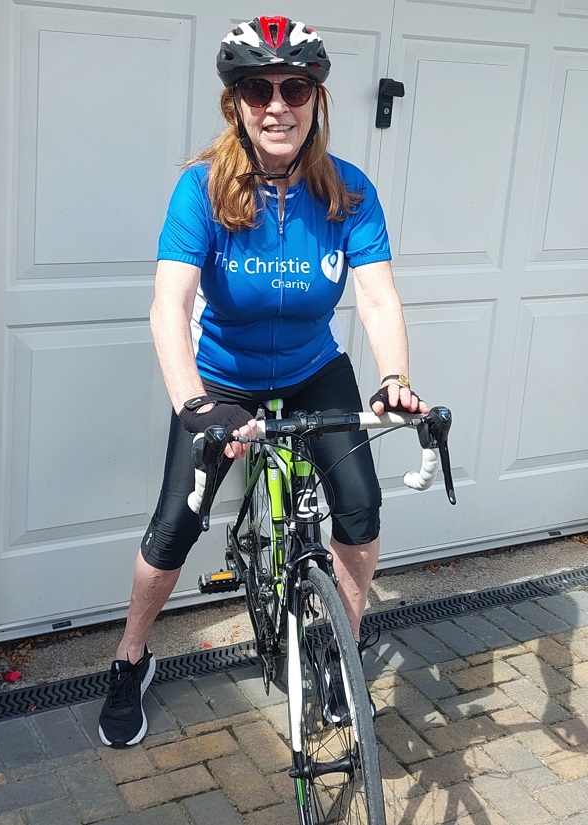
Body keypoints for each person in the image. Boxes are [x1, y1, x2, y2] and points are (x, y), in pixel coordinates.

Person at [98, 14, 428, 748]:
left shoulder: (348, 191)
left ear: (317, 99)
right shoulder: (202, 191)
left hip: (314, 369)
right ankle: (130, 657)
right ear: (236, 104)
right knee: (175, 525)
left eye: (295, 88)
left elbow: (377, 298)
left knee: (361, 509)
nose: (278, 106)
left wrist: (395, 377)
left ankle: (342, 647)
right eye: (258, 89)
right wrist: (194, 404)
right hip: (223, 379)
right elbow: (169, 305)